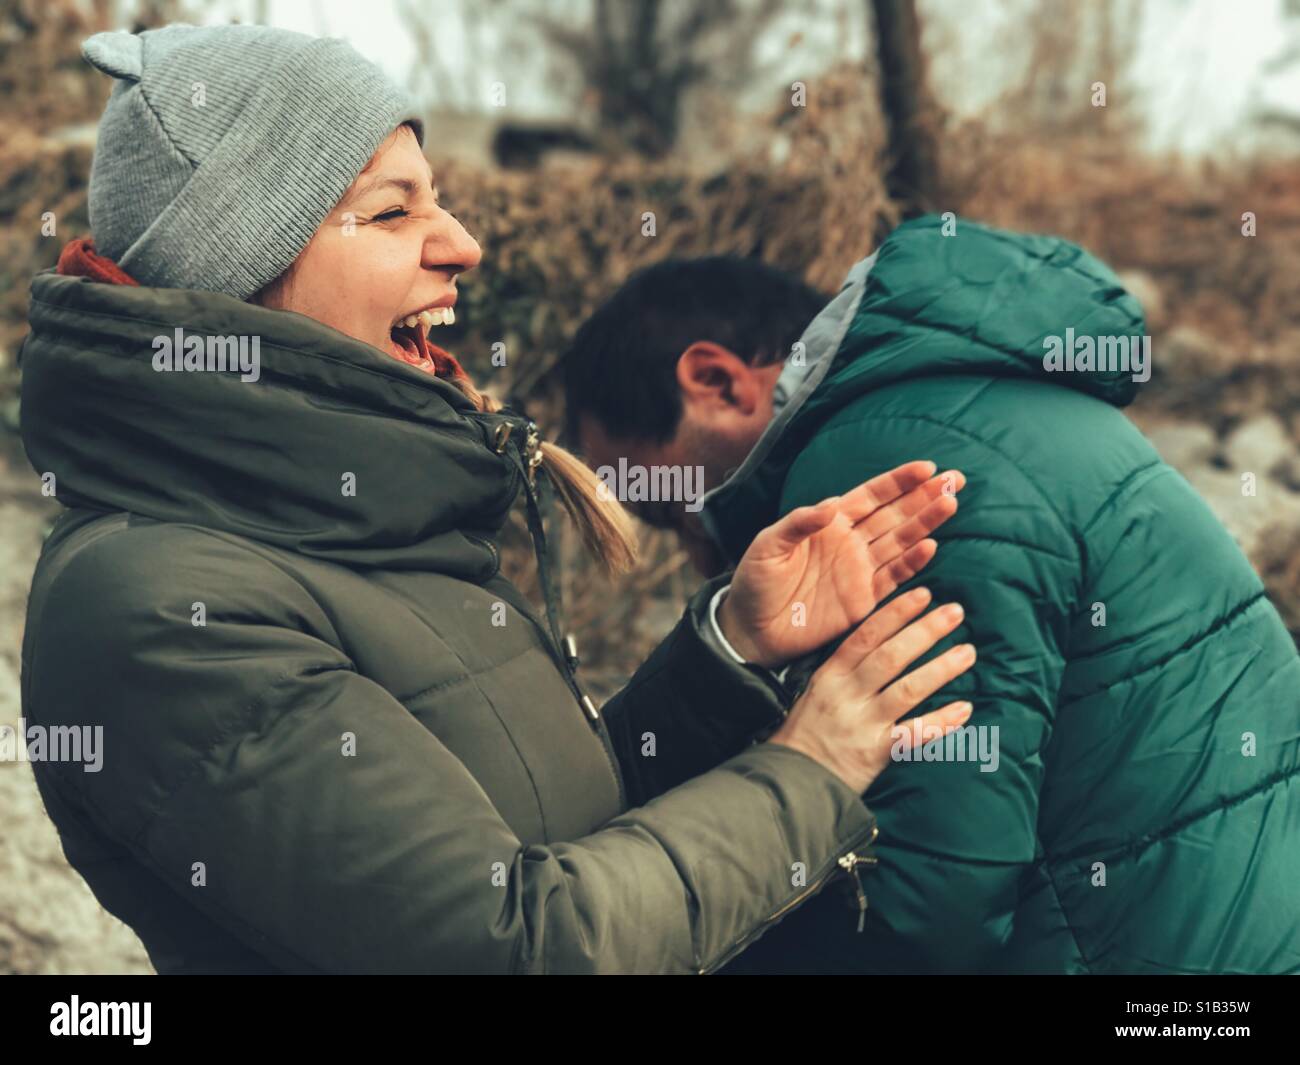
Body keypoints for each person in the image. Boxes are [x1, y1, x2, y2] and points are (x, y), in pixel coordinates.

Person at [16, 24, 976, 975]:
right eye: (392, 214)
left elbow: (570, 827)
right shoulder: (157, 608)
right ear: (237, 276)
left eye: (441, 201)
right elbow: (516, 945)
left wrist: (727, 648)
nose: (464, 244)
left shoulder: (356, 523)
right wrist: (808, 776)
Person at [563, 222, 1300, 974]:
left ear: (716, 382)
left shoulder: (879, 459)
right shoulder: (969, 405)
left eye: (667, 507)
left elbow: (921, 909)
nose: (694, 552)